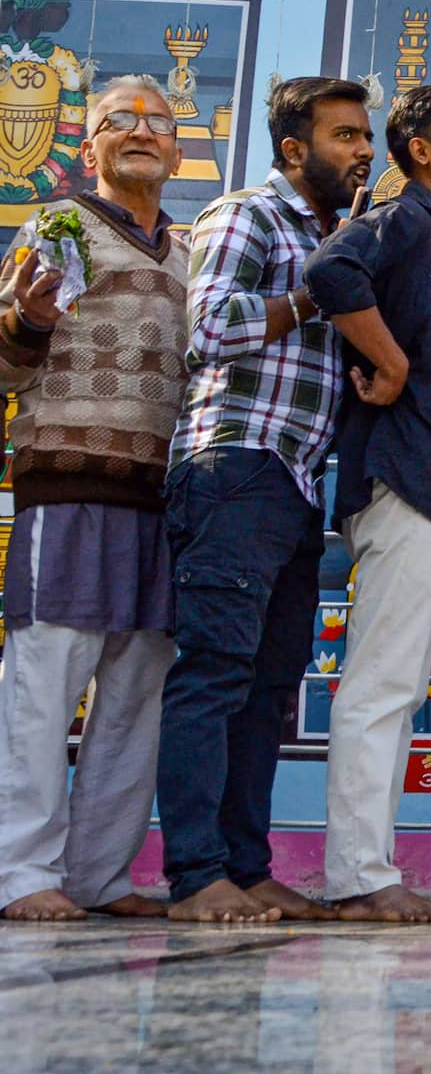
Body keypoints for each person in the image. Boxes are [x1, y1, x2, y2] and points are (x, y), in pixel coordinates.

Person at [157, 76, 373, 924]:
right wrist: (321, 290)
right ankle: (194, 874)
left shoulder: (337, 235)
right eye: (346, 136)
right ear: (294, 149)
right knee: (214, 672)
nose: (363, 152)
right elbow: (208, 328)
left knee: (270, 685)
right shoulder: (246, 214)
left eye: (365, 137)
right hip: (234, 465)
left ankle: (247, 868)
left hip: (293, 481)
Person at [304, 83, 431, 923]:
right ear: (420, 149)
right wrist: (389, 367)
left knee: (396, 683)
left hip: (419, 473)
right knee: (382, 685)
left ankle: (369, 865)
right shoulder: (401, 220)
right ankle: (359, 874)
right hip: (399, 474)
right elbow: (328, 268)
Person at [0, 76, 190, 921]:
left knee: (135, 694)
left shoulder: (192, 254)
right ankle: (22, 874)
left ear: (178, 150)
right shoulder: (58, 228)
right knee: (45, 687)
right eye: (122, 120)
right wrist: (29, 322)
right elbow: (5, 367)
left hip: (165, 497)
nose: (142, 131)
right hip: (68, 486)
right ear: (91, 146)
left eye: (158, 121)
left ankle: (100, 876)